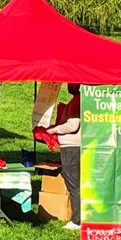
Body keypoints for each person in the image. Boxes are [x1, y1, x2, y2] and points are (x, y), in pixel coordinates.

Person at [47, 83, 83, 230]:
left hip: (72, 147)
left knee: (73, 181)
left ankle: (77, 220)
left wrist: (52, 130)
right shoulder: (78, 100)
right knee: (75, 181)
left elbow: (73, 125)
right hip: (73, 146)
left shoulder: (77, 101)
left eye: (72, 83)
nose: (69, 85)